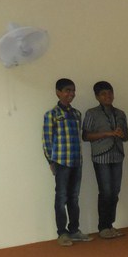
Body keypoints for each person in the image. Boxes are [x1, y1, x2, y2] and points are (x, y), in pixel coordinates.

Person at [43, 78, 92, 246]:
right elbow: (47, 140)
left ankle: (74, 230)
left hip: (76, 162)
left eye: (73, 90)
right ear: (58, 92)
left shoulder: (77, 114)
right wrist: (51, 162)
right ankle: (62, 233)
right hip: (61, 162)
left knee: (74, 197)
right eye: (67, 90)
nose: (71, 94)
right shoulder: (52, 115)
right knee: (61, 198)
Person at [82, 81, 128, 240]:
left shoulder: (121, 113)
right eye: (103, 94)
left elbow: (126, 137)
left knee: (115, 192)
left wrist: (121, 134)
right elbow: (85, 136)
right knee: (106, 192)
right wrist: (108, 133)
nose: (108, 96)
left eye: (110, 93)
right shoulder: (91, 113)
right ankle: (103, 227)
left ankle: (110, 225)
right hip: (101, 156)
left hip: (117, 155)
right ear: (97, 97)